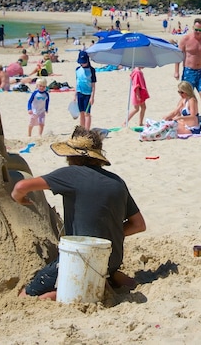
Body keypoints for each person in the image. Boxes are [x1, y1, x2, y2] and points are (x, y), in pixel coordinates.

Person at [13, 128, 145, 300]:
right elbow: (138, 225)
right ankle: (111, 278)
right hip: (111, 258)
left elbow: (20, 187)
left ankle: (62, 294)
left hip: (82, 259)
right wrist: (109, 236)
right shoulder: (117, 182)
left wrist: (20, 199)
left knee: (27, 295)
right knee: (103, 269)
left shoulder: (70, 175)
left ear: (71, 155)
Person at [173, 18, 201, 116]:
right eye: (196, 30)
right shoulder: (185, 39)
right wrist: (176, 71)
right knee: (185, 95)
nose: (198, 32)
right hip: (189, 71)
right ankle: (177, 115)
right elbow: (178, 55)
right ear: (193, 27)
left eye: (200, 30)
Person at [75, 51, 97, 130]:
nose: (82, 64)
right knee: (81, 113)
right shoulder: (77, 69)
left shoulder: (92, 70)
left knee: (87, 113)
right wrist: (75, 95)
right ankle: (82, 129)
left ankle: (87, 130)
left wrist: (92, 97)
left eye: (83, 62)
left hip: (88, 94)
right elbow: (77, 82)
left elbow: (93, 85)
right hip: (79, 93)